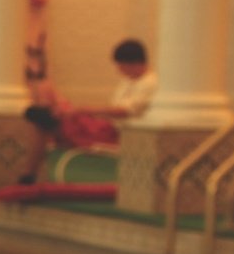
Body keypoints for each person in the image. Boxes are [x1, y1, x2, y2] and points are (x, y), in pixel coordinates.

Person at [20, 37, 156, 183]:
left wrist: (85, 109)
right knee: (57, 111)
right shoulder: (128, 80)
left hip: (118, 135)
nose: (119, 71)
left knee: (50, 121)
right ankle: (50, 113)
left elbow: (124, 111)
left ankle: (29, 172)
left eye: (121, 66)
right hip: (107, 126)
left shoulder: (150, 83)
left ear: (133, 64)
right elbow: (112, 110)